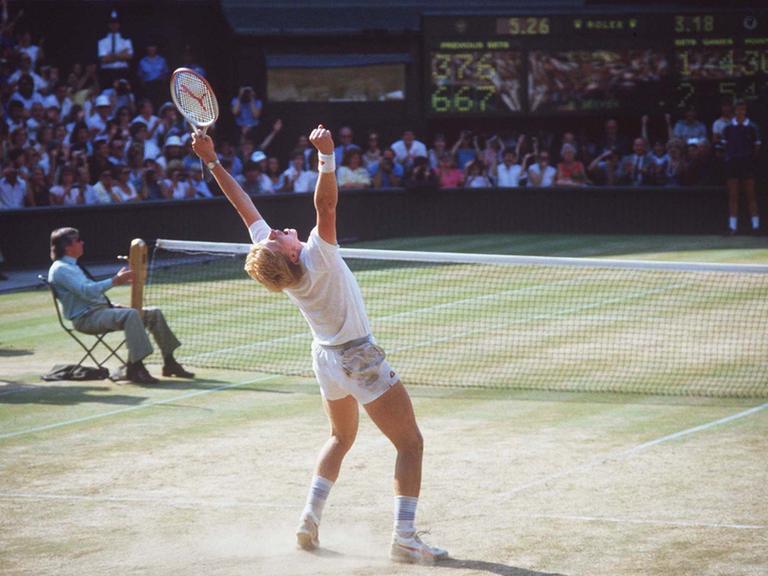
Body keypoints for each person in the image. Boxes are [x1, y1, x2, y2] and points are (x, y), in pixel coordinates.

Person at [191, 125, 448, 564]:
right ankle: (405, 536)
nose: (279, 230)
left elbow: (243, 205)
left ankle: (309, 517)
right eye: (278, 235)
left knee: (340, 437)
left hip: (325, 358)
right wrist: (326, 156)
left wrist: (212, 160)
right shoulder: (317, 257)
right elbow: (326, 204)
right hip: (358, 357)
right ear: (290, 253)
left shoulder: (277, 262)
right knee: (410, 444)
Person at [48, 227, 193, 385]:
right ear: (67, 247)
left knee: (154, 313)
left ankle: (170, 362)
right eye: (77, 240)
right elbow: (87, 292)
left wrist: (113, 305)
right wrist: (115, 280)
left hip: (100, 312)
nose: (82, 242)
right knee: (131, 314)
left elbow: (89, 295)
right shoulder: (61, 269)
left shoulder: (72, 266)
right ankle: (136, 368)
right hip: (85, 319)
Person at [722, 100, 761, 234]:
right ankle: (732, 228)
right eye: (738, 110)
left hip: (747, 164)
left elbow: (757, 148)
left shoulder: (752, 127)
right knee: (733, 196)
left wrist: (748, 159)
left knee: (751, 195)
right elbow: (724, 147)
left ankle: (756, 227)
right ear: (734, 111)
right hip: (732, 164)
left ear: (746, 110)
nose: (740, 112)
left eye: (743, 109)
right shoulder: (728, 128)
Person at [97, 11, 133, 87]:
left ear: (119, 24)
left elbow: (129, 56)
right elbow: (104, 59)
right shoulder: (102, 41)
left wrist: (110, 56)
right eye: (112, 23)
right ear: (109, 25)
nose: (114, 25)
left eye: (116, 23)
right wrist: (121, 54)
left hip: (122, 71)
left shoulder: (125, 40)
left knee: (123, 95)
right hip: (107, 72)